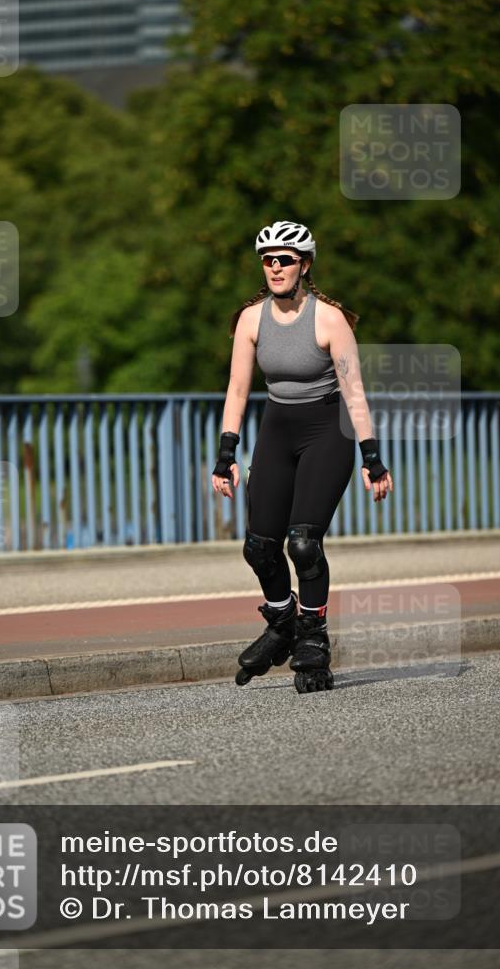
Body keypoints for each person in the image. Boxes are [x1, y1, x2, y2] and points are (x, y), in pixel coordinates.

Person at [212, 220, 393, 694]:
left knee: (304, 544)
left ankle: (313, 639)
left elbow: (355, 393)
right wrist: (225, 453)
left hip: (326, 432)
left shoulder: (329, 319)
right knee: (258, 547)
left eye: (285, 259)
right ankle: (281, 621)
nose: (275, 266)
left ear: (304, 265)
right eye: (268, 259)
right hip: (277, 430)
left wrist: (373, 460)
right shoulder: (251, 319)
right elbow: (236, 389)